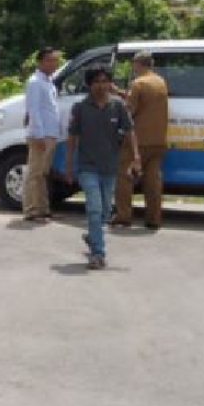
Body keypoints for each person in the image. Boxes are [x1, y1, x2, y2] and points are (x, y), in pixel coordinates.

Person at [63, 67, 140, 270]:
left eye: (105, 81)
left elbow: (130, 132)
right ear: (89, 85)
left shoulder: (118, 107)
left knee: (105, 212)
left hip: (109, 167)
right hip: (87, 167)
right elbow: (72, 137)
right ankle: (98, 254)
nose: (101, 86)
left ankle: (92, 235)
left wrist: (136, 157)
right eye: (97, 82)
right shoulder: (79, 108)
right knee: (95, 209)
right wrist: (68, 165)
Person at [112, 51, 169, 230]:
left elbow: (130, 110)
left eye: (133, 64)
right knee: (152, 181)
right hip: (158, 140)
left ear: (138, 64)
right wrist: (120, 92)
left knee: (124, 176)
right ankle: (153, 219)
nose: (132, 67)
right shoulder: (160, 81)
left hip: (138, 141)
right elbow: (144, 102)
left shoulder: (138, 83)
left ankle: (123, 216)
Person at [22, 47, 62, 223]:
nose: (53, 64)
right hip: (41, 133)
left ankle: (43, 208)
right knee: (35, 172)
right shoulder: (35, 82)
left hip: (50, 132)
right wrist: (37, 134)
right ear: (40, 62)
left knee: (43, 173)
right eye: (50, 60)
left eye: (55, 60)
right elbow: (34, 109)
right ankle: (31, 209)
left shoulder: (49, 81)